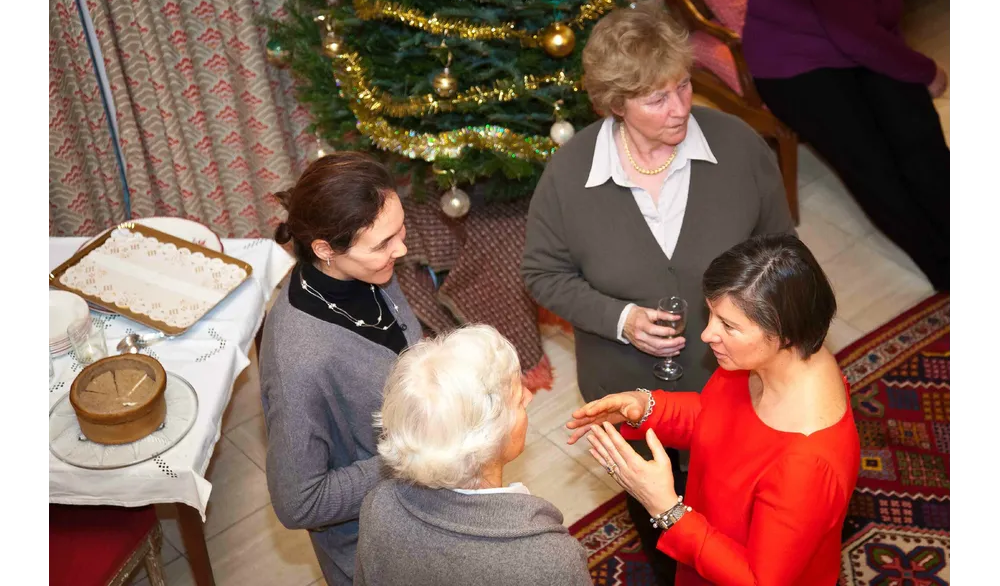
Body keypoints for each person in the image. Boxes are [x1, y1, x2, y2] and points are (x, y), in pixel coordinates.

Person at [520, 1, 795, 581]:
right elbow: (543, 275)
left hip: (736, 386)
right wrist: (619, 319)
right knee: (657, 514)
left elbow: (783, 251)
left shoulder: (737, 146)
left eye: (683, 87)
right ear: (616, 104)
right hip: (628, 395)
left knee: (744, 511)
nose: (680, 109)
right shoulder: (569, 177)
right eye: (657, 99)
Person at [566, 233, 861, 585]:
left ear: (783, 333)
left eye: (728, 326)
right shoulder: (768, 359)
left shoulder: (808, 467)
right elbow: (717, 417)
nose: (707, 335)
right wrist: (647, 407)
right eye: (712, 315)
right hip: (706, 543)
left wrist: (668, 511)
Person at [258, 151, 421, 585]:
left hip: (424, 511)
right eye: (383, 244)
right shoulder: (300, 361)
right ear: (325, 249)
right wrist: (412, 457)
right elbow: (299, 502)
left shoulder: (365, 270)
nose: (401, 250)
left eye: (399, 230)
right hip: (382, 553)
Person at [742, 0, 952, 291]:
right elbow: (854, 35)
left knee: (919, 133)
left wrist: (905, 64)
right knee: (874, 168)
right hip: (795, 61)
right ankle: (942, 265)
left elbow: (876, 15)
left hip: (859, 38)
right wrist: (927, 71)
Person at [356, 324, 592, 586]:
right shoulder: (550, 560)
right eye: (516, 398)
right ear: (486, 440)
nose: (528, 397)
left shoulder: (378, 505)